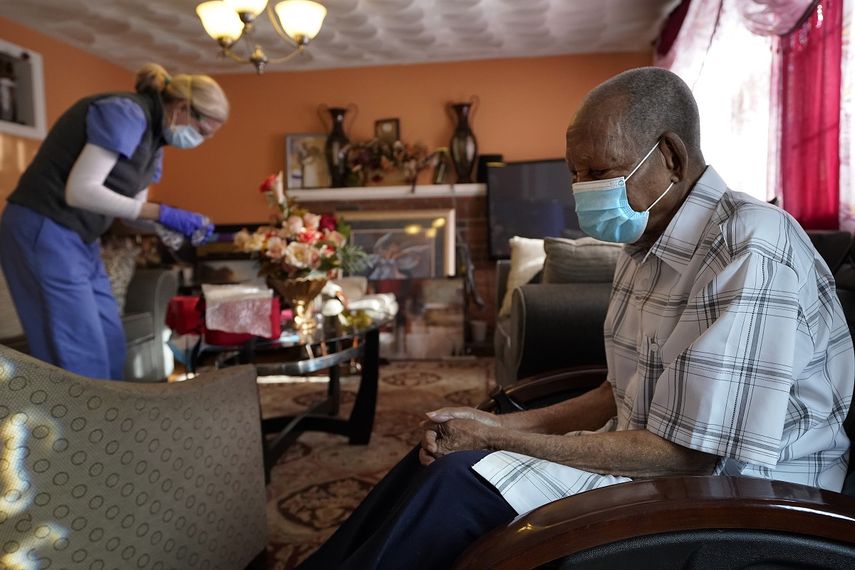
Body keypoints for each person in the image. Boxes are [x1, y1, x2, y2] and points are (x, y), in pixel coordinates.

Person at [298, 67, 854, 569]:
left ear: (672, 157)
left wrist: (507, 443)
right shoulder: (643, 244)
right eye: (575, 174)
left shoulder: (750, 244)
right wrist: (495, 425)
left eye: (599, 171)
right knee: (432, 458)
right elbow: (623, 392)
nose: (582, 192)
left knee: (456, 485)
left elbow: (691, 452)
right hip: (656, 462)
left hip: (744, 497)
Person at [0, 63, 227, 380]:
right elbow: (80, 190)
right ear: (183, 108)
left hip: (82, 238)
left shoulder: (155, 142)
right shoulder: (125, 113)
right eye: (202, 131)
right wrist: (163, 213)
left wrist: (170, 228)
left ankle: (107, 425)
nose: (200, 140)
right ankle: (78, 428)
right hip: (43, 226)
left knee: (110, 341)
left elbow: (131, 210)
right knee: (78, 351)